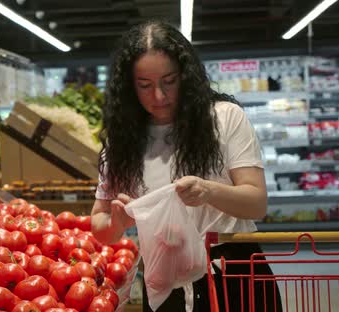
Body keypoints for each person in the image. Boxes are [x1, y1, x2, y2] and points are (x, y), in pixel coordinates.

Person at [90, 20, 282, 311]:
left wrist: (208, 191)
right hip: (166, 285)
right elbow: (100, 224)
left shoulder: (224, 118)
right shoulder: (123, 142)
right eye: (145, 86)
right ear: (129, 88)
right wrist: (119, 222)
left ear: (186, 75)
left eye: (169, 81)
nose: (159, 96)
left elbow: (256, 203)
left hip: (235, 273)